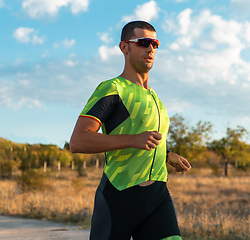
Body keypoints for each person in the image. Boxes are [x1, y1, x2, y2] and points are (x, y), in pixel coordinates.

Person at [69, 20, 191, 240]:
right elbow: (78, 141)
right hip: (119, 196)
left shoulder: (156, 98)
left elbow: (144, 138)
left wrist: (166, 154)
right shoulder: (113, 88)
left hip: (157, 197)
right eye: (143, 42)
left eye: (155, 43)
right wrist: (133, 140)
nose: (150, 48)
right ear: (124, 47)